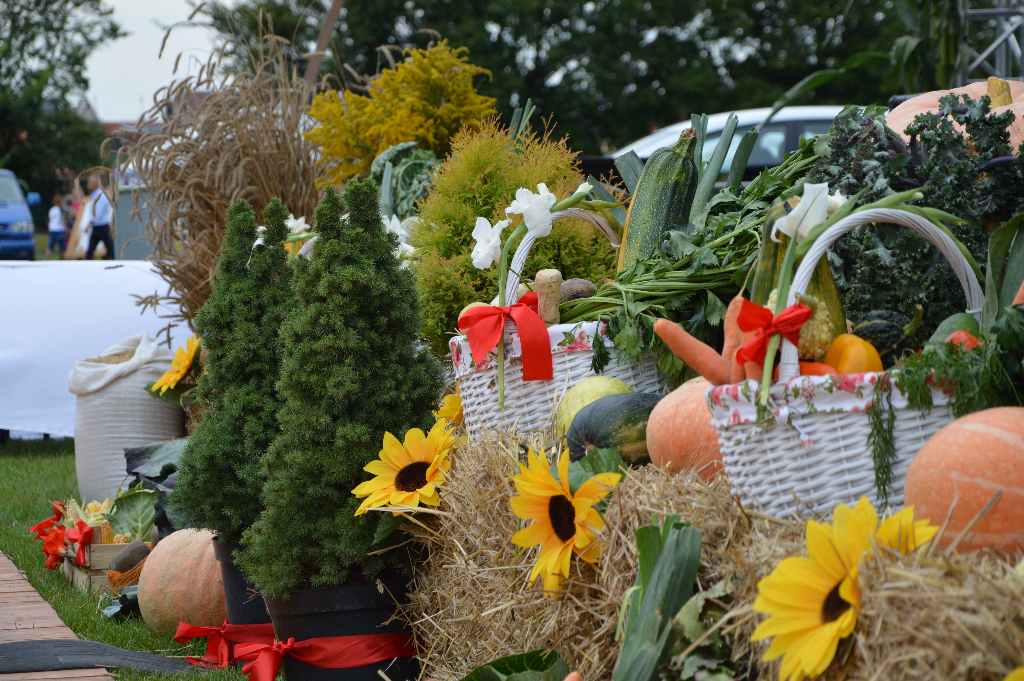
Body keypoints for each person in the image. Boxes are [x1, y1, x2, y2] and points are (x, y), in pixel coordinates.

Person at [82, 174, 114, 260]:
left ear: (96, 183)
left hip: (102, 226)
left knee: (111, 249)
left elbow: (97, 213)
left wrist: (88, 224)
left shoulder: (100, 195)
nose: (88, 184)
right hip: (97, 226)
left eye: (90, 182)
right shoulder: (95, 195)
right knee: (90, 251)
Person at [44, 195, 68, 260]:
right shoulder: (61, 210)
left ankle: (46, 259)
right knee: (62, 247)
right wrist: (67, 228)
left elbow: (49, 220)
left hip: (52, 229)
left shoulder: (51, 210)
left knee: (51, 246)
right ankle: (63, 259)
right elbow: (63, 219)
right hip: (60, 229)